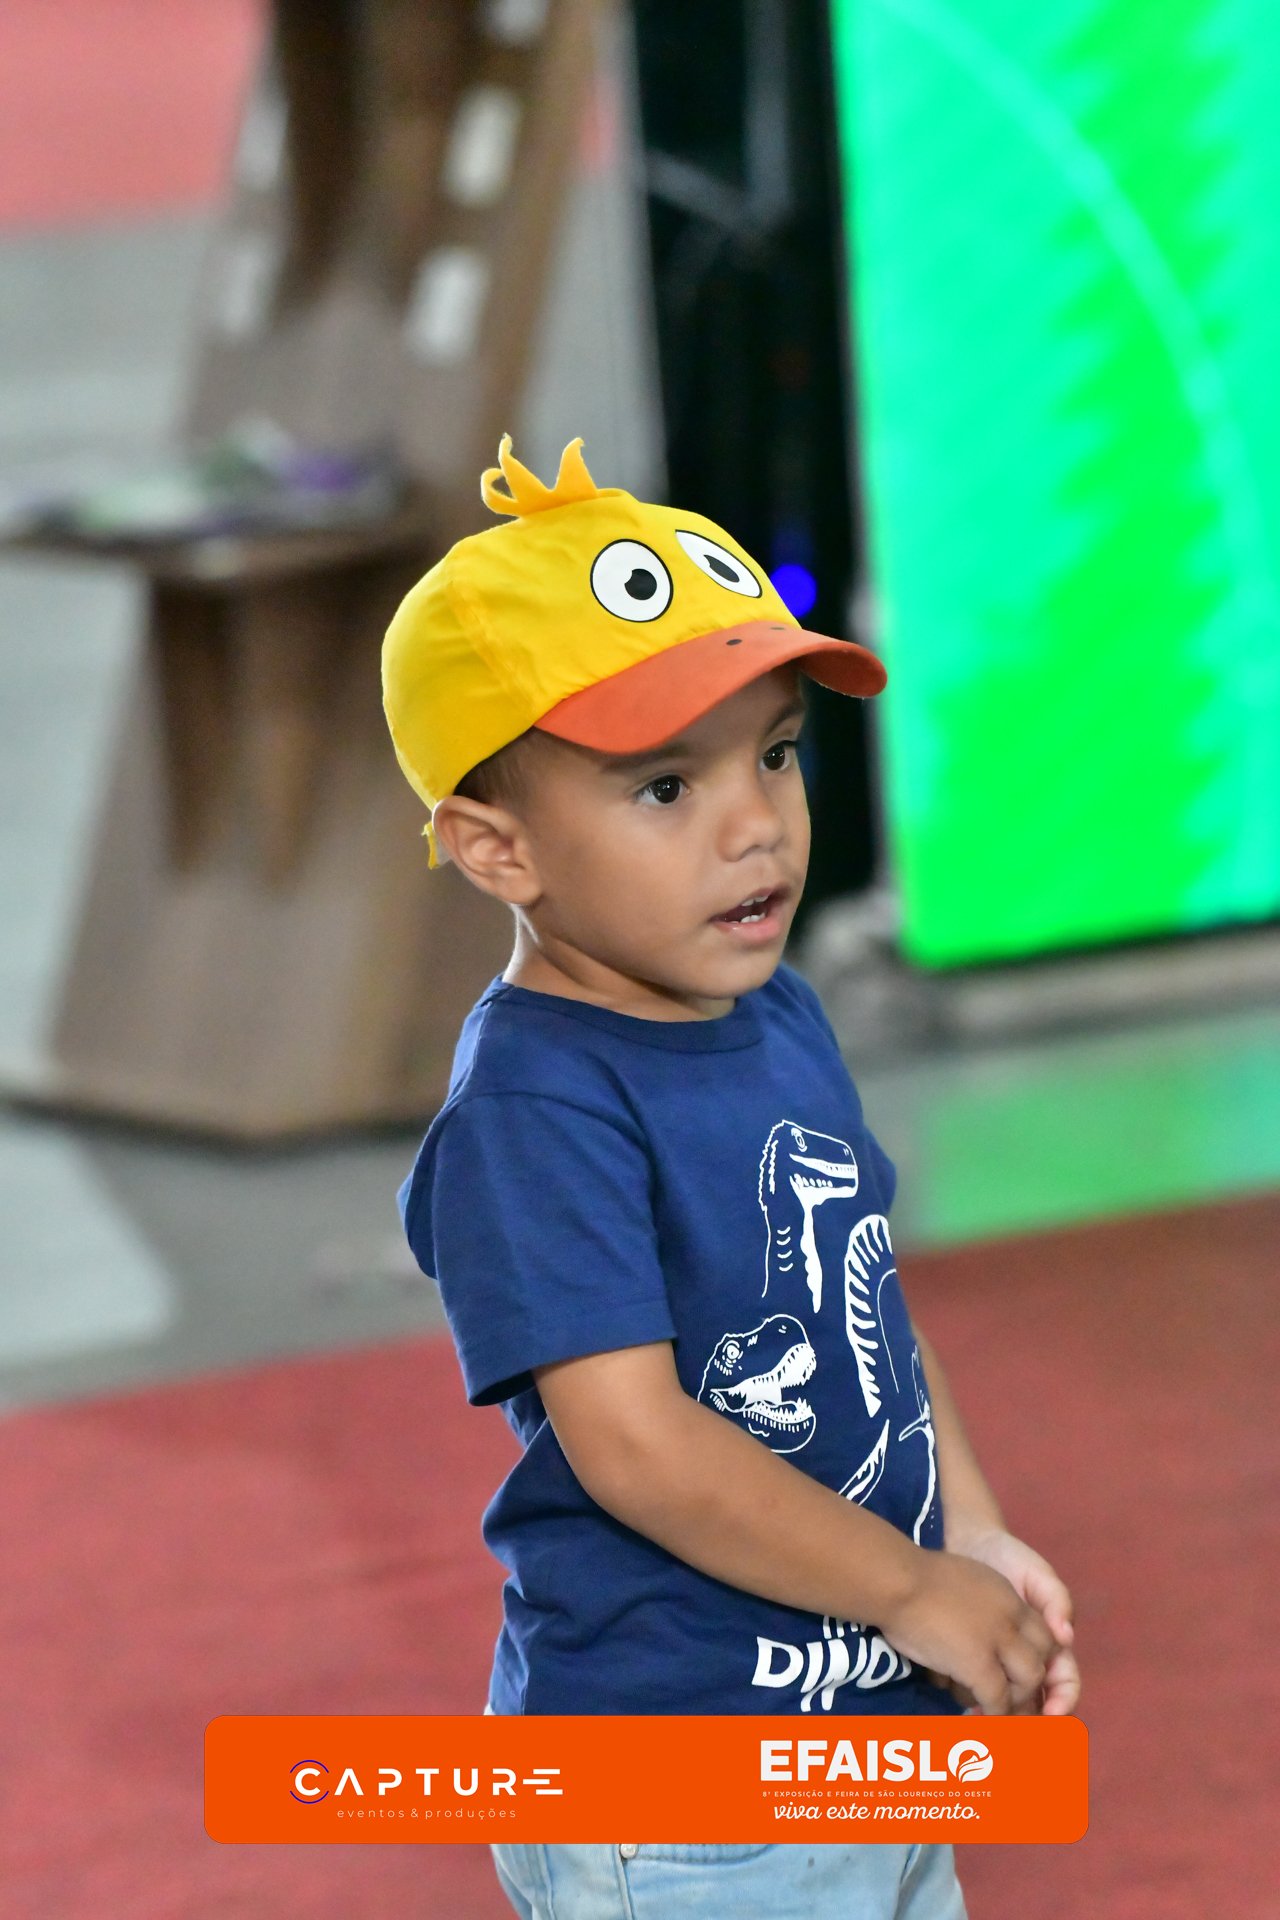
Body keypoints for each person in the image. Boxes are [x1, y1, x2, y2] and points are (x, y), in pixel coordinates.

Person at [384, 435, 1080, 1919]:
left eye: (773, 752)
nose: (756, 821)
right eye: (663, 787)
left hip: (870, 1726)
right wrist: (910, 1590)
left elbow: (866, 1315)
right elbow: (634, 1446)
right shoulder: (535, 1110)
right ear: (497, 850)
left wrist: (965, 1532)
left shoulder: (775, 1012)